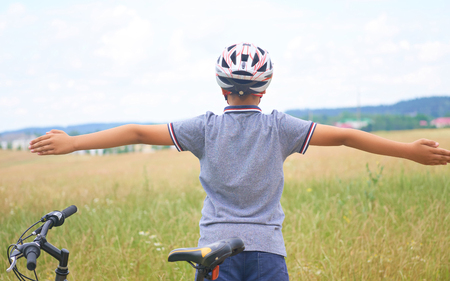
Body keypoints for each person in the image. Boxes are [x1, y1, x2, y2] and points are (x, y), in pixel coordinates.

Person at [29, 42, 450, 281]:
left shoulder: (205, 128)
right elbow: (345, 137)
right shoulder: (280, 127)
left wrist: (74, 142)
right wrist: (409, 152)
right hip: (268, 253)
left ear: (221, 87)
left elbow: (137, 132)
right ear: (264, 89)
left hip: (215, 254)